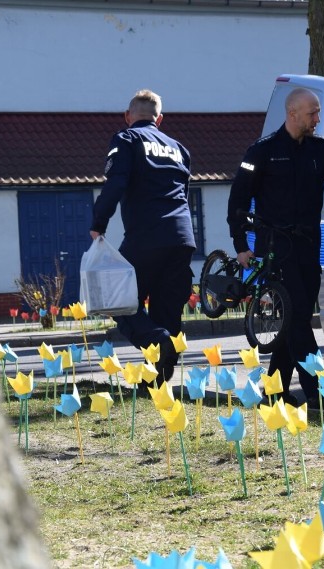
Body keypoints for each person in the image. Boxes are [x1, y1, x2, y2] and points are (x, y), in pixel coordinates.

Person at [227, 87, 324, 406]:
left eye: (318, 112)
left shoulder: (321, 149)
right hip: (275, 247)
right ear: (292, 113)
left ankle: (274, 392)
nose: (318, 119)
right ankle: (320, 394)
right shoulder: (262, 151)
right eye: (312, 113)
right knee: (295, 319)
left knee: (298, 317)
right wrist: (240, 244)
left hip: (308, 244)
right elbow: (238, 200)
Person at [90, 89, 195, 381]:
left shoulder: (126, 139)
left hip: (147, 235)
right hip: (182, 238)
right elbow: (184, 196)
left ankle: (158, 340)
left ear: (127, 117)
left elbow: (116, 182)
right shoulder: (180, 149)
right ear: (159, 119)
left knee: (119, 300)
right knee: (167, 308)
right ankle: (160, 383)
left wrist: (99, 222)